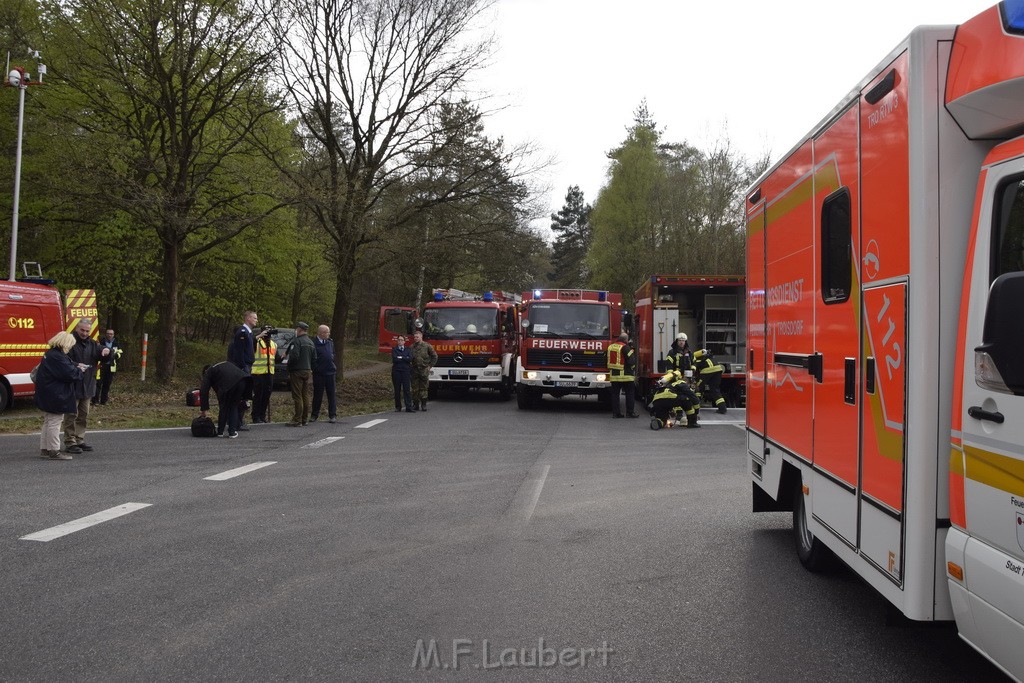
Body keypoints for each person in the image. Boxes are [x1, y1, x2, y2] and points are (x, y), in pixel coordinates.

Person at [35, 332, 85, 460]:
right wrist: (79, 370)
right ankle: (54, 451)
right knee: (55, 422)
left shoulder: (51, 354)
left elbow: (64, 367)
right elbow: (70, 374)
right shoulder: (58, 357)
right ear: (66, 343)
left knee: (48, 421)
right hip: (56, 394)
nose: (71, 347)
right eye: (70, 345)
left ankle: (45, 449)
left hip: (48, 392)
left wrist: (74, 365)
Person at [63, 319, 109, 455]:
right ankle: (69, 441)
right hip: (73, 385)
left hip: (88, 384)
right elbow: (65, 361)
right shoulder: (69, 342)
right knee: (71, 415)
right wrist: (77, 365)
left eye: (87, 331)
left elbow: (102, 355)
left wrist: (107, 352)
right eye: (82, 330)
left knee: (83, 415)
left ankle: (79, 439)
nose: (84, 333)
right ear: (77, 328)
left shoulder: (92, 343)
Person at [199, 361, 251, 438]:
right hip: (242, 381)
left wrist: (204, 409)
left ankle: (222, 432)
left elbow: (203, 390)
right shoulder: (220, 367)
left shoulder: (209, 372)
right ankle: (230, 433)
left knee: (227, 406)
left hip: (233, 382)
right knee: (232, 406)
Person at [285, 322, 316, 426]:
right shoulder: (311, 342)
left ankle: (297, 419)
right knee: (305, 395)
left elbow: (294, 356)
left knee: (297, 395)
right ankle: (304, 419)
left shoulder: (297, 341)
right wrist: (310, 368)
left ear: (299, 329)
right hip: (307, 370)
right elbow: (314, 358)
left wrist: (289, 367)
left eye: (297, 329)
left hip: (297, 371)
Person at [607, 332, 639, 418]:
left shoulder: (610, 347)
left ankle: (616, 413)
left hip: (614, 376)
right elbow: (632, 361)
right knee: (630, 394)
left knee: (615, 395)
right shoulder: (626, 347)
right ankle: (630, 413)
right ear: (625, 340)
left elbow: (606, 360)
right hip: (626, 376)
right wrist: (633, 369)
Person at [311, 324, 337, 423]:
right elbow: (312, 358)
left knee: (331, 395)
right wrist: (315, 368)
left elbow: (333, 354)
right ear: (321, 333)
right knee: (318, 395)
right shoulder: (314, 343)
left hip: (330, 372)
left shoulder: (330, 342)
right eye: (327, 332)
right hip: (319, 374)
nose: (329, 334)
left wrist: (333, 365)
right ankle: (314, 415)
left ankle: (332, 415)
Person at [250, 330, 277, 423]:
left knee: (266, 395)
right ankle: (255, 416)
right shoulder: (256, 342)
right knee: (258, 395)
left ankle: (262, 416)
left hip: (269, 373)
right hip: (258, 373)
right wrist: (259, 336)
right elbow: (249, 343)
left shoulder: (274, 344)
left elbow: (275, 358)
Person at [92, 328, 123, 405]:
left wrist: (115, 355)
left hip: (111, 366)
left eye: (111, 334)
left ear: (113, 335)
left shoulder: (116, 343)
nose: (109, 335)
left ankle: (104, 401)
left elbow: (120, 353)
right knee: (98, 383)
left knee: (107, 384)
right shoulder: (101, 342)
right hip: (101, 366)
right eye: (108, 333)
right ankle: (95, 401)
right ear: (106, 334)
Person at [692, 348, 728, 414]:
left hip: (707, 371)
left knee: (698, 388)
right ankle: (722, 408)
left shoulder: (694, 360)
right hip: (718, 369)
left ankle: (695, 407)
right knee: (715, 389)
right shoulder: (706, 357)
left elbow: (695, 371)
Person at [409, 330, 438, 411]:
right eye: (414, 337)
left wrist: (430, 366)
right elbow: (409, 357)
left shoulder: (427, 346)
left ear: (421, 337)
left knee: (424, 388)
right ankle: (415, 404)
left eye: (417, 337)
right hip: (414, 370)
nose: (416, 338)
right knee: (415, 388)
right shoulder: (411, 347)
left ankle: (424, 404)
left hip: (424, 370)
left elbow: (434, 356)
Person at [391, 335, 414, 412]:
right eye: (399, 340)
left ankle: (408, 406)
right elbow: (395, 359)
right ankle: (398, 407)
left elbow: (410, 359)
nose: (400, 341)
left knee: (407, 389)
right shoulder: (394, 349)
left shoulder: (408, 350)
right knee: (397, 390)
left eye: (401, 340)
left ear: (404, 341)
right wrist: (405, 358)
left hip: (406, 372)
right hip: (396, 371)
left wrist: (401, 357)